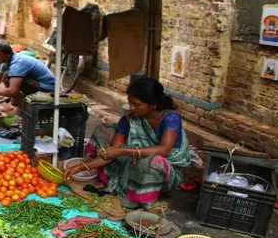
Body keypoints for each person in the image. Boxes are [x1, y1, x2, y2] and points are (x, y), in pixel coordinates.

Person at [64, 77, 191, 209]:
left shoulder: (170, 118)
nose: (131, 107)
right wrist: (79, 167)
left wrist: (123, 151)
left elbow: (164, 150)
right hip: (134, 164)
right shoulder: (129, 120)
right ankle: (106, 178)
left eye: (137, 104)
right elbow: (110, 153)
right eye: (130, 103)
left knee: (153, 161)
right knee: (105, 130)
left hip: (165, 173)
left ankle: (141, 198)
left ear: (153, 105)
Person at [0, 39, 55, 106]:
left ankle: (20, 107)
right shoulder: (7, 61)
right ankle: (16, 102)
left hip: (46, 88)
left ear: (0, 54)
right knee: (6, 75)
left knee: (10, 78)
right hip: (35, 82)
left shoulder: (18, 63)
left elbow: (13, 91)